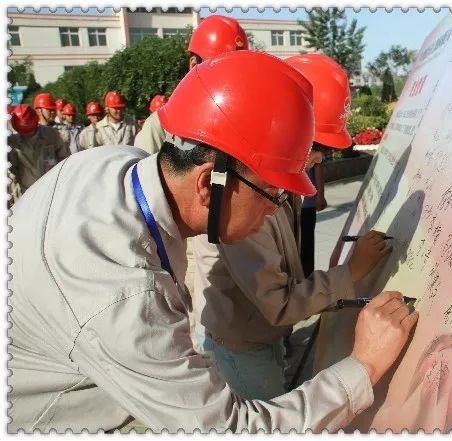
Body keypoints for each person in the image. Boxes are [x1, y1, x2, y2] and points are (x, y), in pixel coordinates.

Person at [8, 50, 418, 433]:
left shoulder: (113, 165)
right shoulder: (123, 297)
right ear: (208, 183)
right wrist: (363, 366)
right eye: (271, 194)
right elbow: (227, 429)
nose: (274, 210)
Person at [191, 54, 384, 401]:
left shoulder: (279, 181)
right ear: (281, 129)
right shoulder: (241, 200)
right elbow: (278, 303)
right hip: (241, 346)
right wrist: (351, 272)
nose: (320, 158)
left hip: (262, 333)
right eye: (317, 146)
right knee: (268, 422)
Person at [134, 14, 248, 155]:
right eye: (220, 69)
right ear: (194, 65)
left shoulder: (239, 123)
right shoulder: (159, 128)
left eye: (235, 70)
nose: (229, 80)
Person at [7, 104, 70, 206]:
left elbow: (65, 158)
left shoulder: (51, 135)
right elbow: (13, 168)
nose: (27, 134)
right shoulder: (12, 142)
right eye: (24, 132)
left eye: (30, 131)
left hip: (53, 190)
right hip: (27, 193)